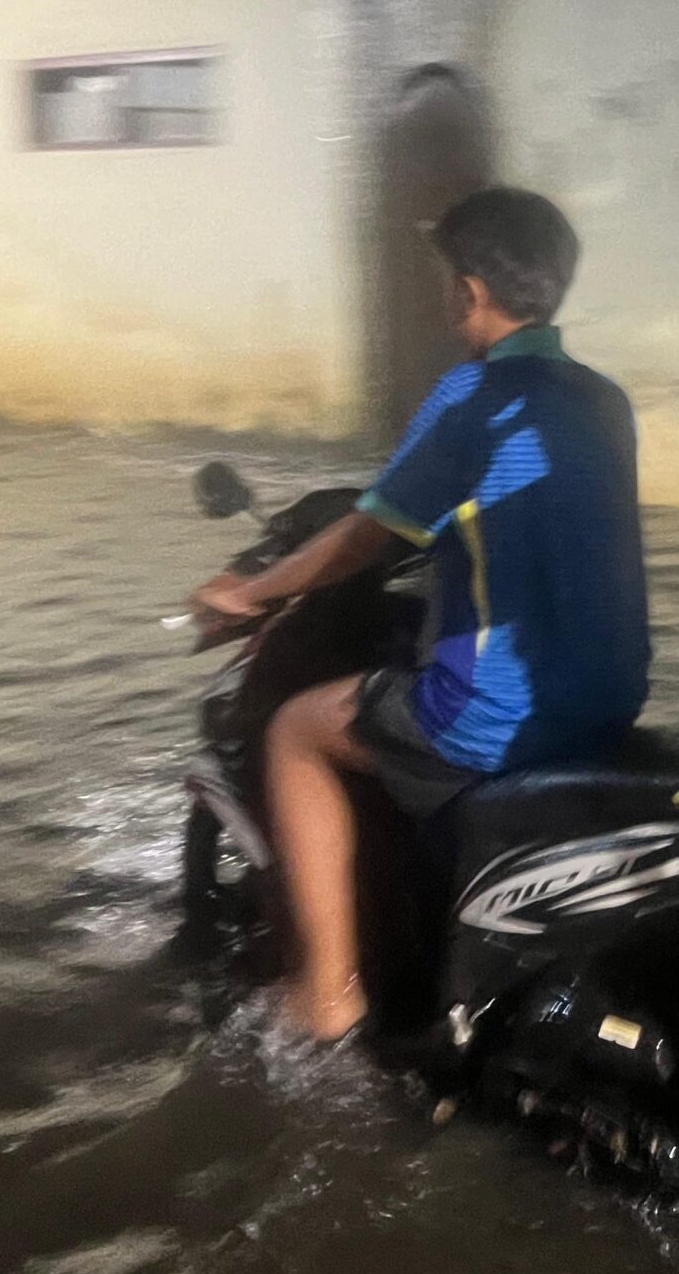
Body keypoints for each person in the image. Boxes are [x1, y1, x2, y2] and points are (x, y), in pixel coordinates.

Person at [193, 187, 651, 1040]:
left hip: (498, 718)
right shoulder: (602, 401)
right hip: (612, 700)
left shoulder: (470, 398)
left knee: (296, 729)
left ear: (471, 292)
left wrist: (246, 591)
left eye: (448, 280)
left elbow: (365, 536)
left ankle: (325, 998)